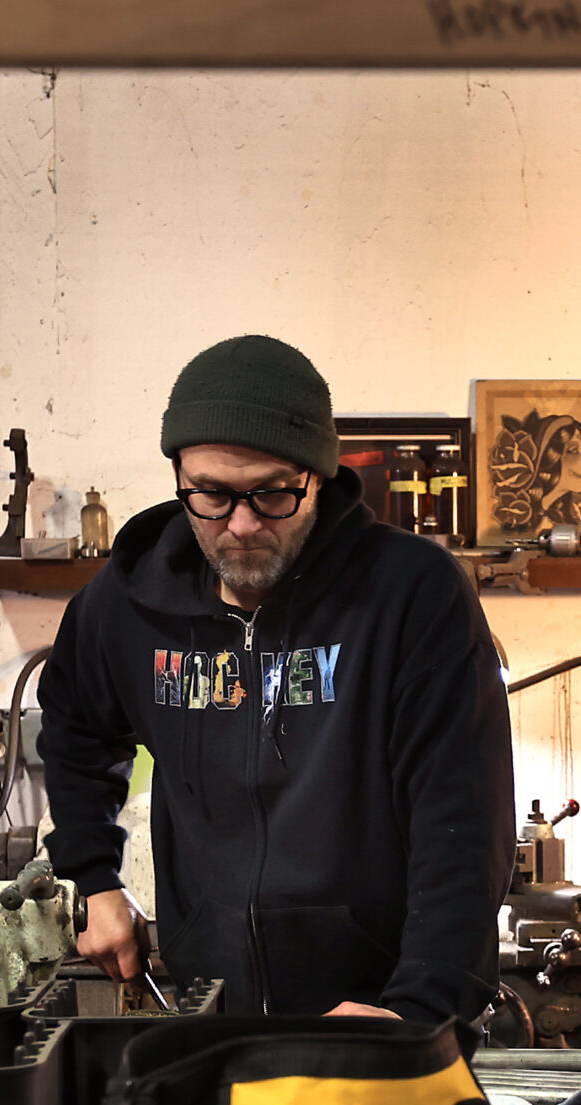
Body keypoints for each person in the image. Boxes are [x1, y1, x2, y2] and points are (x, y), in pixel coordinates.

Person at [37, 335, 516, 1022]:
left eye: (272, 496)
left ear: (318, 476)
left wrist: (419, 1010)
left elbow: (464, 824)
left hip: (381, 1011)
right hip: (212, 1013)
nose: (240, 526)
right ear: (179, 476)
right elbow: (74, 729)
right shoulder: (128, 603)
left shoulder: (410, 596)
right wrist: (91, 878)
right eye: (211, 496)